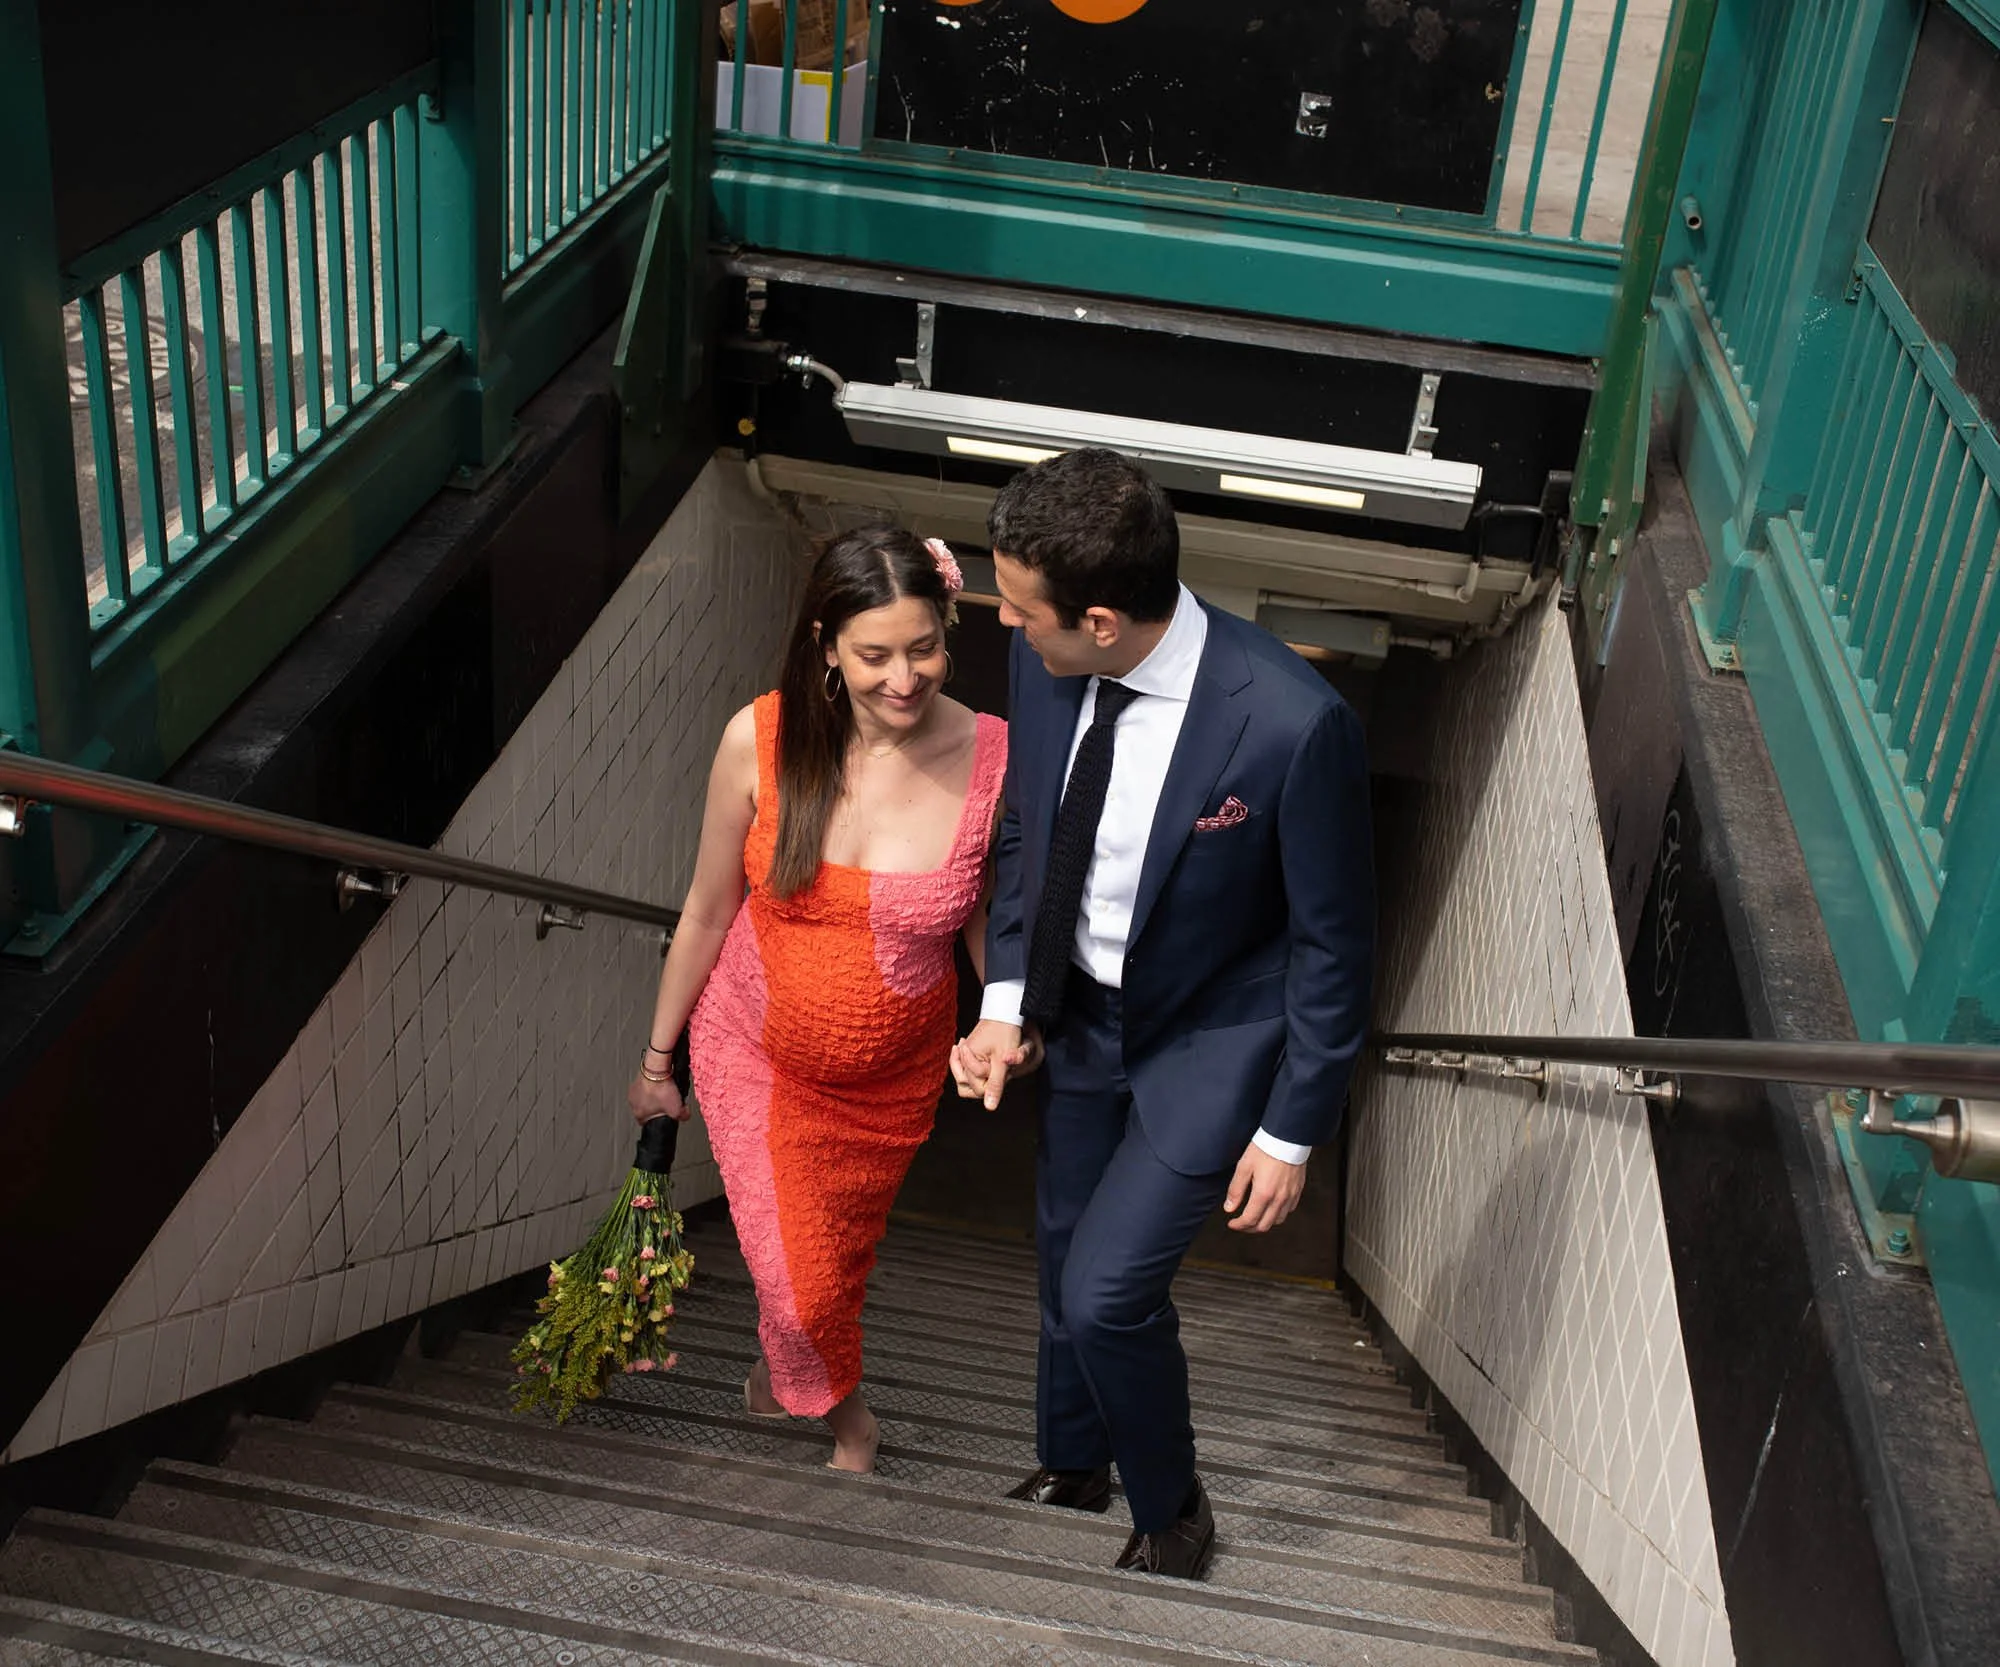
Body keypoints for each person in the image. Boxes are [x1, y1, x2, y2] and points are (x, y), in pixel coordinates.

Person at [950, 447, 1374, 1579]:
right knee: (1056, 1255)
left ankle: (1173, 1506)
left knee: (1104, 1293)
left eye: (1022, 608)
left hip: (1209, 1047)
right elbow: (1027, 832)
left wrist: (1291, 1129)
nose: (1002, 622)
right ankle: (1072, 1460)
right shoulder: (1040, 661)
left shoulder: (1292, 721)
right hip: (1077, 1019)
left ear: (1099, 619)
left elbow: (1333, 945)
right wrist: (1006, 998)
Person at [629, 523, 1006, 1474]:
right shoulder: (759, 740)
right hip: (752, 1054)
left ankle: (776, 1376)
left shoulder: (993, 757)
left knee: (826, 1264)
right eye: (875, 654)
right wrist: (656, 1061)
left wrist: (1000, 1017)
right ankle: (853, 1426)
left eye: (924, 647)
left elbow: (985, 926)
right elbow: (708, 911)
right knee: (798, 1287)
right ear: (826, 645)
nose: (904, 677)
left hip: (890, 1086)